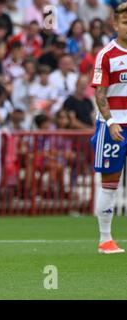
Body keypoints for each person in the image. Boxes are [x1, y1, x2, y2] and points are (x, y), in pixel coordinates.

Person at [90, 3, 127, 254]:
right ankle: (105, 239)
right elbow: (100, 94)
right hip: (113, 125)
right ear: (115, 24)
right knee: (110, 183)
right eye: (125, 21)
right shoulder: (107, 55)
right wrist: (111, 121)